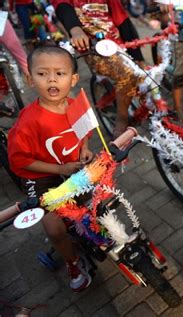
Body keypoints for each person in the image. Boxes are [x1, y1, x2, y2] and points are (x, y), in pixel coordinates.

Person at [7, 45, 94, 292]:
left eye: (60, 73)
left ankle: (85, 231)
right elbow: (20, 161)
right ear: (29, 79)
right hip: (41, 176)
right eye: (43, 74)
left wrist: (85, 148)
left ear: (74, 78)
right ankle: (73, 261)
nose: (52, 79)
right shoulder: (28, 122)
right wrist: (59, 169)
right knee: (54, 228)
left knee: (91, 203)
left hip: (70, 166)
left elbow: (84, 131)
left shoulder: (77, 105)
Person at [52, 0, 146, 136]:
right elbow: (62, 5)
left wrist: (139, 57)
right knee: (127, 76)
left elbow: (122, 20)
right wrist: (75, 29)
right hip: (92, 46)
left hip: (118, 43)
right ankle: (121, 122)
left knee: (146, 73)